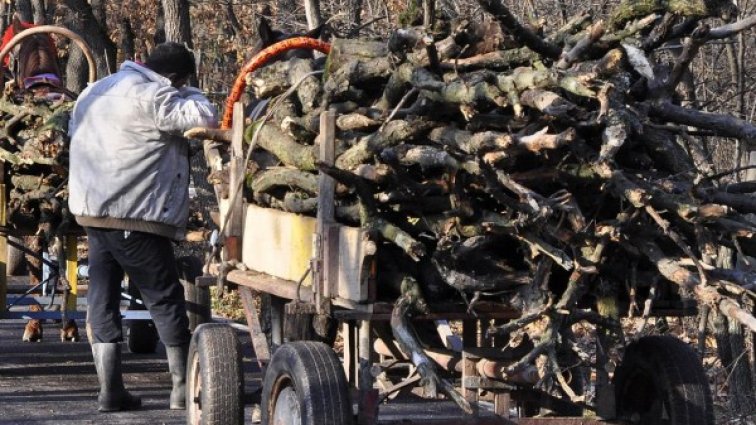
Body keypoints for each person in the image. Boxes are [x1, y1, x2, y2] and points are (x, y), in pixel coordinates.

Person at [68, 42, 218, 412]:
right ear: (177, 77)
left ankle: (110, 391)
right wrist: (188, 91)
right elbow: (206, 118)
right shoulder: (155, 97)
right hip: (135, 214)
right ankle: (182, 389)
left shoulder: (95, 89)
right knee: (163, 297)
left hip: (94, 212)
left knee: (102, 298)